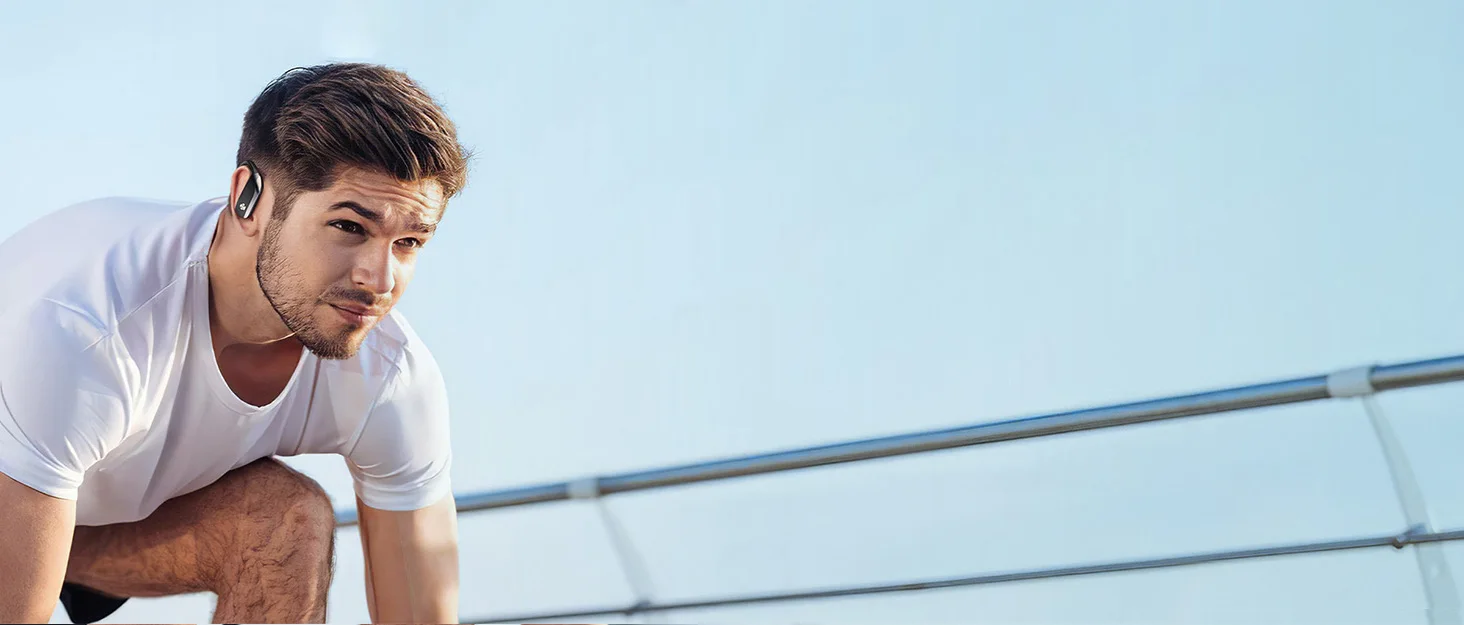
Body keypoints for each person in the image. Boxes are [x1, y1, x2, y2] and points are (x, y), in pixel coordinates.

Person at [0, 62, 469, 624]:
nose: (380, 279)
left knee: (285, 524)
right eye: (349, 227)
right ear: (248, 198)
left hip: (88, 520)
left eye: (409, 242)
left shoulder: (390, 378)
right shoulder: (89, 330)